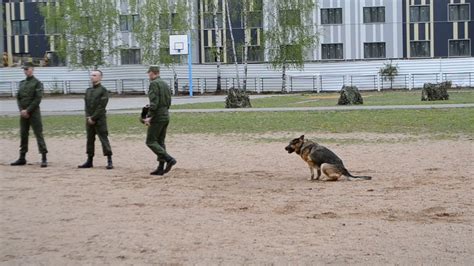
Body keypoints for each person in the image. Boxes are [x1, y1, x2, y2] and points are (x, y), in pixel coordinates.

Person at [11, 62, 48, 167]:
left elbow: (37, 99)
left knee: (38, 134)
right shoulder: (22, 83)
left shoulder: (37, 83)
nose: (25, 71)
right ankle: (22, 157)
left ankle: (44, 157)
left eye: (27, 69)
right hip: (23, 113)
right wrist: (21, 110)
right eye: (24, 69)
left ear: (32, 69)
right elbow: (18, 97)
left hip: (34, 113)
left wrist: (28, 110)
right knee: (23, 134)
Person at [144, 66, 176, 175]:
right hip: (165, 114)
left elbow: (154, 102)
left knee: (151, 141)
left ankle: (169, 159)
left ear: (153, 73)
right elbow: (169, 101)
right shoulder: (164, 83)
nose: (148, 75)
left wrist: (149, 116)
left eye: (149, 73)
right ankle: (161, 167)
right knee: (160, 142)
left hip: (157, 116)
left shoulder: (154, 84)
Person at [78, 70, 113, 169]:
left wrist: (93, 117)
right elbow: (86, 105)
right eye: (91, 75)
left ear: (100, 77)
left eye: (94, 75)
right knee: (89, 140)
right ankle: (89, 160)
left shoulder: (103, 90)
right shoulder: (88, 90)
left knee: (103, 139)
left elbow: (102, 106)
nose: (92, 77)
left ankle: (109, 160)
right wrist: (88, 117)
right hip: (89, 120)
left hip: (100, 120)